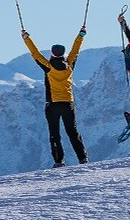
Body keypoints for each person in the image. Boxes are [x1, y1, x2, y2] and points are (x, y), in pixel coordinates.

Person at [22, 26, 89, 167]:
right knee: (73, 132)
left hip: (52, 104)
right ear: (63, 55)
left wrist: (26, 38)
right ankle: (83, 159)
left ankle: (59, 161)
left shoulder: (48, 67)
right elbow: (75, 50)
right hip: (68, 103)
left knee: (55, 135)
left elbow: (35, 53)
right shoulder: (69, 65)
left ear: (52, 54)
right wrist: (81, 34)